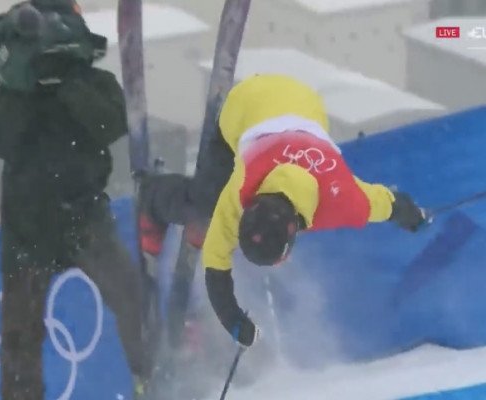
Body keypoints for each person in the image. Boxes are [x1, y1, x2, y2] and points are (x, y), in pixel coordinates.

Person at [0, 1, 151, 399]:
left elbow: (112, 123)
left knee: (132, 297)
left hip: (83, 214)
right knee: (20, 335)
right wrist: (29, 89)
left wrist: (66, 81)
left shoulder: (91, 81)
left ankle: (153, 379)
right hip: (28, 227)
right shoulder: (14, 91)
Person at [139, 74, 427, 348]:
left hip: (300, 101)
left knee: (215, 217)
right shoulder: (240, 190)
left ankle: (194, 215)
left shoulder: (344, 199)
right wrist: (233, 320)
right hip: (248, 102)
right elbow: (215, 260)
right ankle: (153, 196)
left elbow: (389, 204)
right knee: (206, 206)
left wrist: (410, 214)